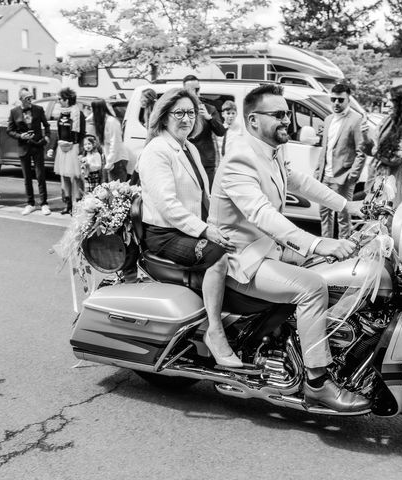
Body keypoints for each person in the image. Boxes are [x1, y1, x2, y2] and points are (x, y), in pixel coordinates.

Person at [209, 84, 368, 411]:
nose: (288, 120)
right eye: (278, 114)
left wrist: (345, 206)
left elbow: (301, 182)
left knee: (340, 272)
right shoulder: (240, 158)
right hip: (242, 259)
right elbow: (261, 213)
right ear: (253, 121)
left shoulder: (273, 150)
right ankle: (317, 383)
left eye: (287, 113)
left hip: (268, 249)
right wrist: (317, 243)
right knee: (313, 287)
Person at [137, 87, 240, 368]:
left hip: (188, 228)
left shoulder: (189, 147)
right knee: (217, 256)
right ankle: (214, 332)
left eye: (191, 113)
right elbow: (168, 205)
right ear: (164, 116)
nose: (186, 119)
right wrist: (206, 231)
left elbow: (204, 198)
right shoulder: (157, 151)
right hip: (165, 233)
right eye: (179, 113)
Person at [314, 83, 367, 239]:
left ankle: (343, 253)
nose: (336, 103)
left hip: (343, 177)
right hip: (325, 177)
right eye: (333, 99)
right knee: (324, 214)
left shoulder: (356, 119)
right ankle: (326, 250)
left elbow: (361, 151)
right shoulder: (328, 119)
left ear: (348, 99)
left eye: (340, 100)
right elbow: (325, 149)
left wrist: (352, 176)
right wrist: (318, 171)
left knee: (343, 217)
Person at [365, 85, 402, 208]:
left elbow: (397, 158)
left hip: (396, 181)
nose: (387, 105)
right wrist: (365, 138)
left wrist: (376, 151)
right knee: (374, 217)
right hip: (379, 177)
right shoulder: (388, 120)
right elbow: (374, 145)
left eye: (391, 101)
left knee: (389, 218)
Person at [7, 88, 51, 216]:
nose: (30, 100)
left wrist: (47, 137)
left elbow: (46, 125)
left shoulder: (38, 109)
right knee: (27, 177)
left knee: (40, 175)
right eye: (27, 98)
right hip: (23, 146)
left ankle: (44, 203)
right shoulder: (14, 112)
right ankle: (30, 203)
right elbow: (9, 130)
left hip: (37, 145)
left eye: (31, 98)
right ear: (21, 99)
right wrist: (20, 136)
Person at [182, 75, 226, 187]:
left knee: (208, 197)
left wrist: (209, 118)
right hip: (187, 160)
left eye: (197, 89)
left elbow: (221, 132)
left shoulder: (209, 109)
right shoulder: (181, 110)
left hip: (206, 160)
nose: (195, 93)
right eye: (191, 90)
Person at [48, 87, 86, 215]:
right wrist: (52, 148)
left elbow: (82, 134)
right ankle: (68, 204)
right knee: (64, 177)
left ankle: (79, 204)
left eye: (60, 99)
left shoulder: (78, 114)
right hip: (62, 148)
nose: (58, 101)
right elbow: (59, 133)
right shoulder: (62, 113)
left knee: (76, 177)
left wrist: (81, 150)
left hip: (73, 147)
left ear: (67, 99)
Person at [87, 98, 128, 182]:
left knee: (116, 190)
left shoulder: (112, 122)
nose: (90, 110)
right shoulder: (104, 121)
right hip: (111, 159)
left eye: (92, 108)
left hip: (117, 159)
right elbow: (88, 120)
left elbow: (115, 143)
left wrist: (109, 162)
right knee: (110, 189)